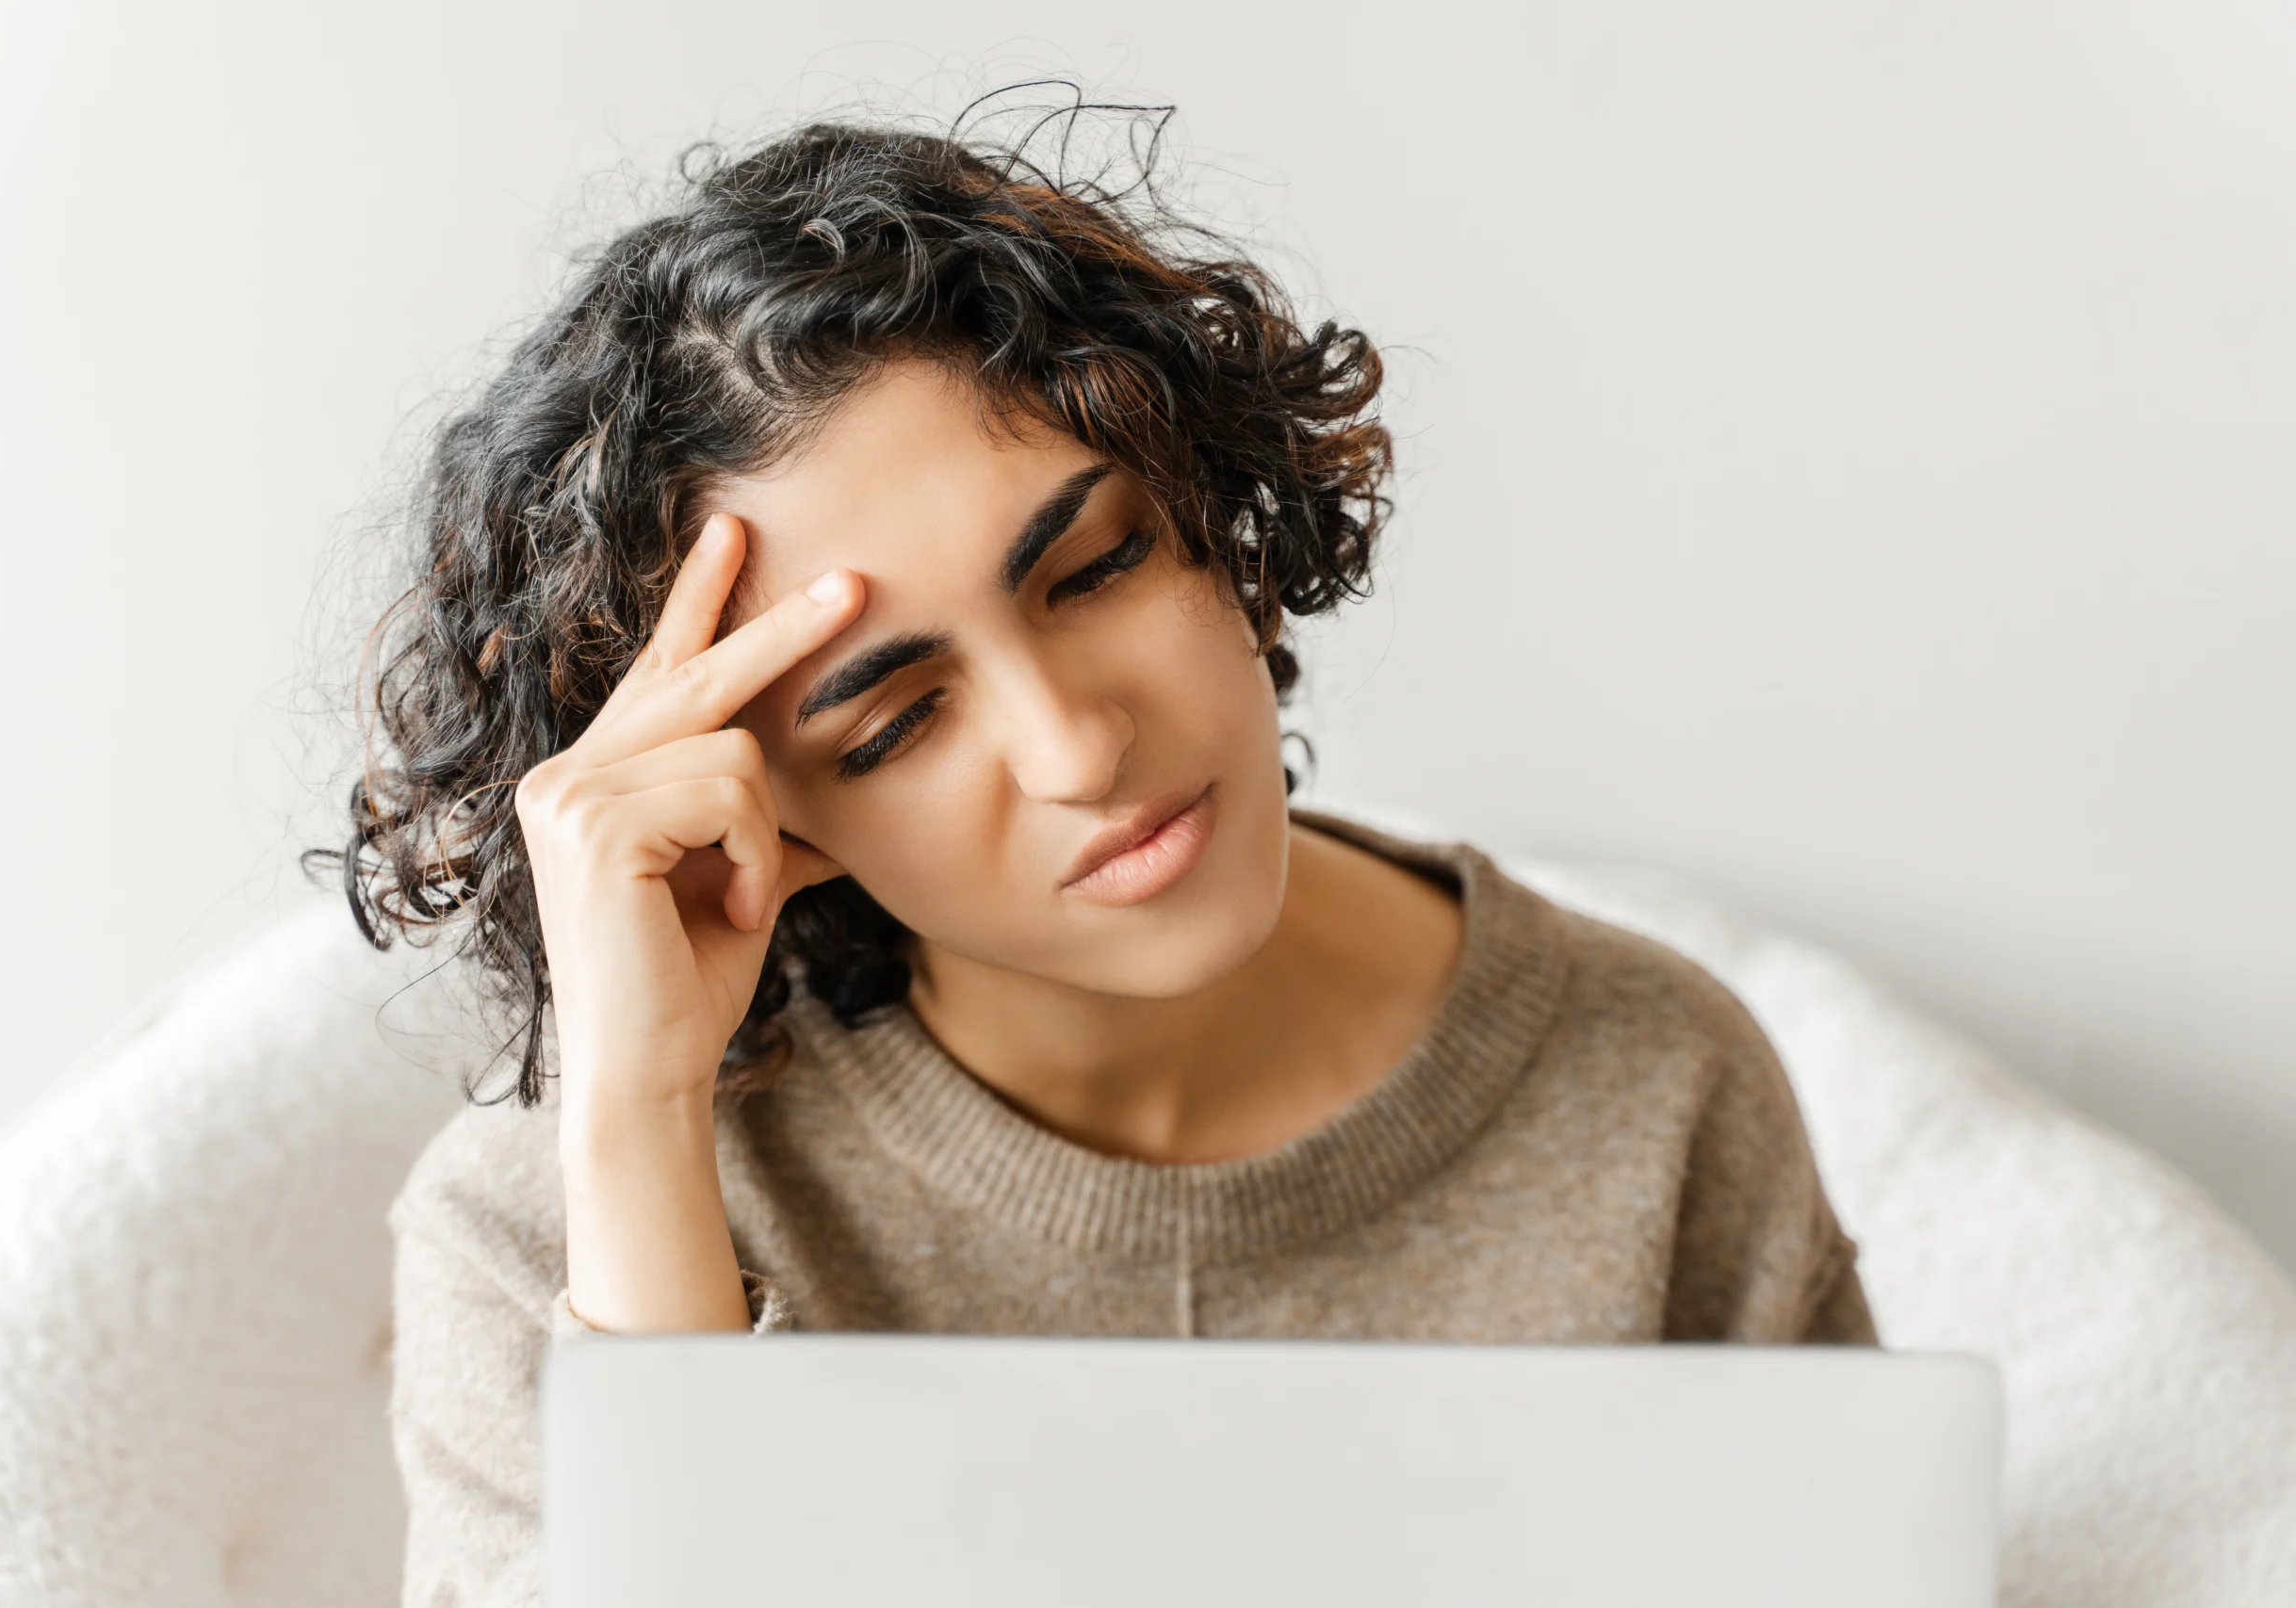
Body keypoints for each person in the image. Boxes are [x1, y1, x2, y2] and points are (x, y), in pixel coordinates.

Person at [312, 108, 1876, 1607]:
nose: (1077, 749)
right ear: (765, 813)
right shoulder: (545, 1231)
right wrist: (647, 1140)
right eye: (894, 722)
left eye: (1098, 564)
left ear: (1212, 501)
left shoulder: (1656, 1087)